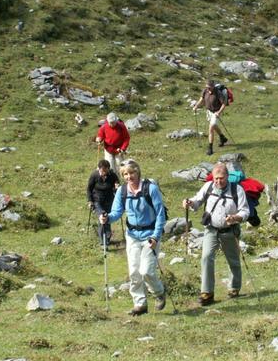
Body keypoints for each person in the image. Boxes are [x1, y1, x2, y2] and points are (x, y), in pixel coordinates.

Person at [100, 160, 166, 315]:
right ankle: (140, 304)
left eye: (132, 173)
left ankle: (159, 293)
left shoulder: (151, 189)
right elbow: (116, 213)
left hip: (150, 235)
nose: (129, 176)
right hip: (132, 236)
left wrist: (156, 236)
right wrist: (107, 218)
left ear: (138, 172)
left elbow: (160, 215)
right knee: (134, 272)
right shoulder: (122, 191)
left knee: (146, 271)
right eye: (125, 174)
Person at [182, 162, 249, 306]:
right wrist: (189, 202)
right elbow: (198, 200)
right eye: (216, 178)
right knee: (206, 257)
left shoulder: (237, 190)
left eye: (221, 178)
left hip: (229, 230)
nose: (218, 181)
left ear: (227, 177)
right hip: (211, 229)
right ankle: (207, 293)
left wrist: (235, 218)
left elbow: (245, 211)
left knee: (233, 260)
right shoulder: (208, 186)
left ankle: (234, 287)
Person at [86, 159, 120, 247]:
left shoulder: (112, 175)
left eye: (105, 171)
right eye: (101, 170)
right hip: (97, 200)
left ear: (108, 169)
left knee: (107, 219)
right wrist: (90, 201)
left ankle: (107, 239)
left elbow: (116, 183)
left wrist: (116, 186)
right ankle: (103, 242)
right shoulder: (94, 175)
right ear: (99, 169)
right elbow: (89, 189)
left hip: (109, 200)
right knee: (103, 216)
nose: (102, 173)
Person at [192, 79, 228, 156]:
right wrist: (196, 106)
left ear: (213, 86)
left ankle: (210, 148)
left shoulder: (218, 93)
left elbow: (224, 104)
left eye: (209, 87)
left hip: (216, 112)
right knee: (214, 126)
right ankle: (222, 137)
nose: (208, 89)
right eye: (207, 87)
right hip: (208, 112)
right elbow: (201, 99)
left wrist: (219, 112)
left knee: (211, 128)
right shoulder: (205, 91)